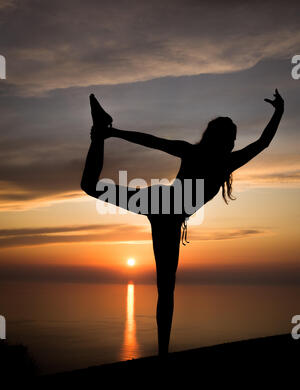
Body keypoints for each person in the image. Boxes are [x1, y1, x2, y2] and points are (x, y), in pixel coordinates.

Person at [81, 90, 284, 356]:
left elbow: (153, 141)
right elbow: (263, 143)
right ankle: (163, 352)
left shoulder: (197, 153)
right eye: (232, 138)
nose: (234, 142)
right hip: (166, 213)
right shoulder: (226, 162)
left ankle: (100, 131)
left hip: (158, 203)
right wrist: (279, 111)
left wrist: (114, 132)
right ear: (222, 139)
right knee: (166, 287)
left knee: (90, 186)